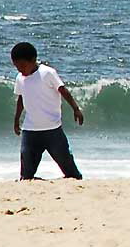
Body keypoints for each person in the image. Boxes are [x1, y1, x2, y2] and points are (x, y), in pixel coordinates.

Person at [11, 42, 84, 180]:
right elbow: (21, 99)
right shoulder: (20, 78)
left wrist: (76, 109)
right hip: (30, 131)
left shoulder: (47, 73)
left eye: (22, 66)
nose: (20, 70)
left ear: (33, 60)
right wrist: (16, 120)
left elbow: (63, 90)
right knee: (26, 176)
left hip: (53, 131)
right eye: (17, 67)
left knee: (72, 174)